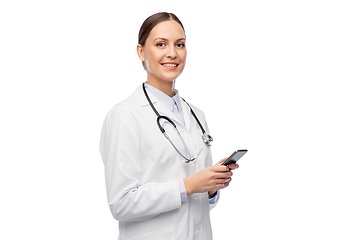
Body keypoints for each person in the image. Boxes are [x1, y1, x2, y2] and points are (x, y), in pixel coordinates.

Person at [99, 12, 239, 240]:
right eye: (161, 44)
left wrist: (210, 187)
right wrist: (189, 185)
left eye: (180, 44)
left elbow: (193, 207)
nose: (172, 53)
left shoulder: (196, 115)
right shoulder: (124, 116)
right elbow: (121, 204)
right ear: (141, 52)